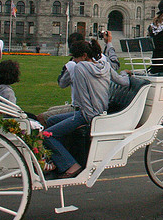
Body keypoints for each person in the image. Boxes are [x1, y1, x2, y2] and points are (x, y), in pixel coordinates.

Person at [43, 40, 131, 178]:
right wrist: (125, 73)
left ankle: (72, 165)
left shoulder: (80, 68)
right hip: (100, 111)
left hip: (87, 114)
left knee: (46, 135)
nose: (74, 61)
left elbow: (82, 97)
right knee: (52, 120)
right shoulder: (105, 65)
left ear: (84, 56)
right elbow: (124, 82)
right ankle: (63, 159)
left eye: (75, 57)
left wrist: (87, 118)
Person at [36, 32, 84, 126]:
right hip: (88, 107)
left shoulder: (73, 65)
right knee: (50, 110)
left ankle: (48, 137)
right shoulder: (96, 63)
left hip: (79, 108)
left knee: (42, 117)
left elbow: (62, 83)